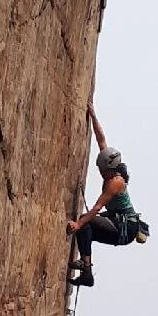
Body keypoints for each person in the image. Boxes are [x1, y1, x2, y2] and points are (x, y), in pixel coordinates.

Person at [67, 103, 140, 287]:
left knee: (85, 222)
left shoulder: (115, 183)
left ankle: (86, 268)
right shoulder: (109, 163)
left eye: (102, 170)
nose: (100, 172)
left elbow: (98, 207)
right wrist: (93, 116)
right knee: (87, 229)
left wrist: (77, 224)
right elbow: (102, 140)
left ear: (110, 168)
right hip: (119, 222)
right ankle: (87, 274)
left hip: (126, 229)